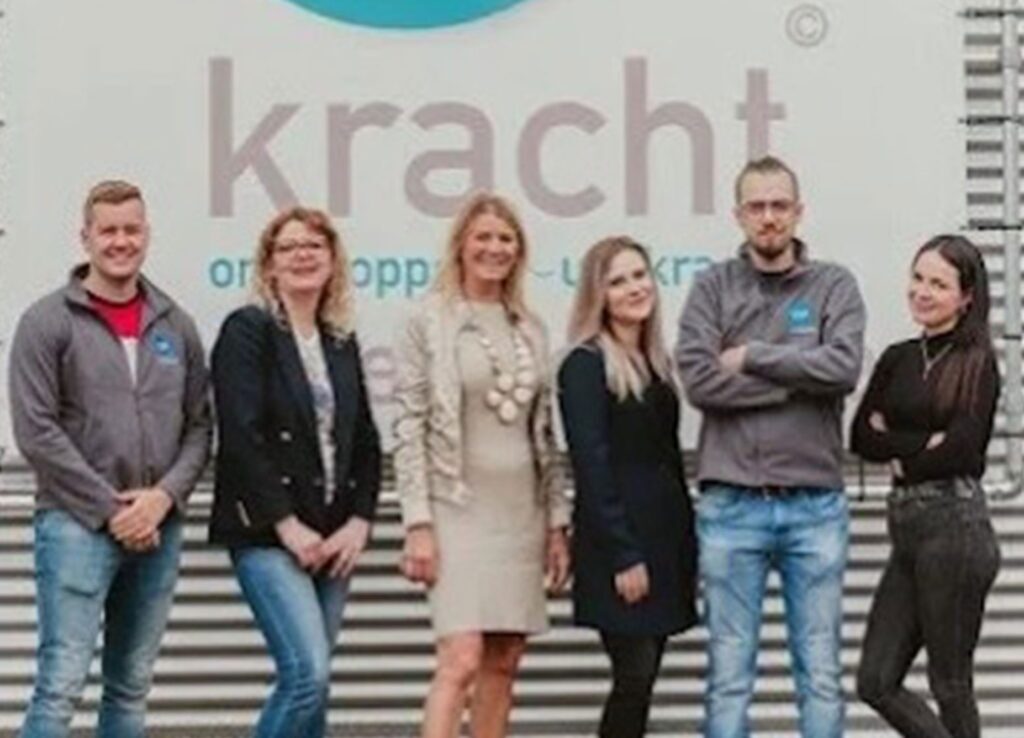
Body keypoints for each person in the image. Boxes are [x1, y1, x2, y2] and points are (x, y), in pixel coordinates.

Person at [9, 180, 211, 738]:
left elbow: (200, 426)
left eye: (131, 230)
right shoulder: (47, 322)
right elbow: (36, 432)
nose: (121, 241)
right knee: (61, 684)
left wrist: (162, 499)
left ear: (147, 235)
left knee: (130, 685)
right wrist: (112, 510)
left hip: (159, 528)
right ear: (86, 238)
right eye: (108, 231)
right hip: (74, 526)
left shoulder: (175, 324)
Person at [676, 155, 866, 738]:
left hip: (815, 506)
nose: (768, 217)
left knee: (821, 673)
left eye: (779, 205)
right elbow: (700, 381)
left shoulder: (834, 285)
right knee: (729, 676)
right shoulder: (712, 287)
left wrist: (754, 356)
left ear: (798, 211)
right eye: (756, 206)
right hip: (732, 505)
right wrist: (796, 384)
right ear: (738, 215)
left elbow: (843, 367)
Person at [393, 192, 571, 738]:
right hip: (455, 508)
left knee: (505, 658)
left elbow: (545, 435)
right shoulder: (427, 320)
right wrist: (417, 522)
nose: (495, 248)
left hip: (522, 513)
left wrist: (557, 523)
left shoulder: (531, 327)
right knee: (461, 657)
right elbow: (409, 426)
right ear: (461, 246)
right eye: (484, 237)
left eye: (506, 239)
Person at [208, 206, 382, 738]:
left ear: (332, 260)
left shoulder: (339, 340)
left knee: (316, 687)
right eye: (288, 247)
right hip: (270, 534)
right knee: (306, 675)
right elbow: (241, 437)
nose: (303, 255)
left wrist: (359, 521)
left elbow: (365, 440)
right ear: (269, 264)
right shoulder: (249, 330)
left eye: (314, 245)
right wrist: (287, 525)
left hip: (332, 536)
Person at [851, 234, 1001, 738]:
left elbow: (963, 450)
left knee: (950, 682)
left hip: (955, 528)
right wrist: (923, 444)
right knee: (875, 680)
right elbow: (860, 437)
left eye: (938, 284)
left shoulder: (977, 362)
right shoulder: (897, 358)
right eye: (917, 278)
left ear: (966, 297)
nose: (922, 291)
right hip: (908, 533)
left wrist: (898, 450)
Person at [558, 236, 698, 738]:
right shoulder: (585, 363)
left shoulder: (655, 363)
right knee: (634, 674)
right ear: (598, 295)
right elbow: (591, 466)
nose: (634, 288)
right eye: (617, 281)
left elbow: (667, 460)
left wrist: (687, 546)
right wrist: (623, 554)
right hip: (620, 548)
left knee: (645, 675)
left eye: (640, 275)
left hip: (664, 543)